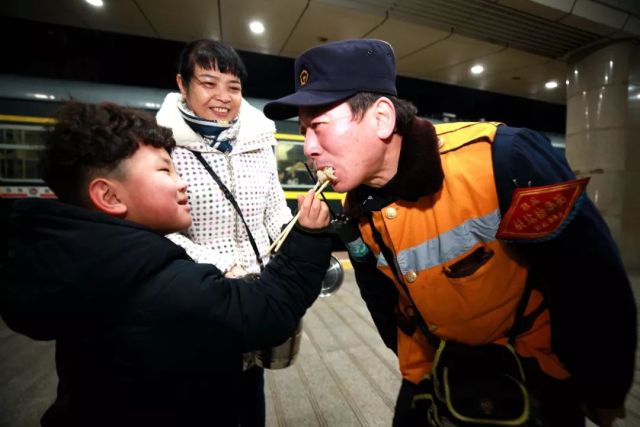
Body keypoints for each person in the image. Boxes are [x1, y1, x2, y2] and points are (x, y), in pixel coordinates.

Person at [263, 39, 636, 427]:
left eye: (318, 126)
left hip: (532, 379)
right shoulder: (357, 206)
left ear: (382, 118)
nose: (309, 148)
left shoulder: (502, 160)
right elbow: (382, 297)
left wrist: (604, 387)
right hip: (432, 374)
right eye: (304, 131)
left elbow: (590, 278)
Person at [0, 101, 332, 427]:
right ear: (109, 196)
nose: (182, 182)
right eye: (164, 170)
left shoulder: (80, 265)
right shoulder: (163, 284)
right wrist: (309, 236)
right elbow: (267, 311)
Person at [156, 39, 293, 425]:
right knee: (202, 397)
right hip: (199, 294)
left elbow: (274, 209)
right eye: (208, 83)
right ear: (182, 85)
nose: (223, 96)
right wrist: (220, 267)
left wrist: (291, 251)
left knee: (250, 394)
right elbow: (156, 230)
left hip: (253, 294)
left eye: (233, 86)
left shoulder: (259, 142)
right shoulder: (162, 146)